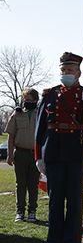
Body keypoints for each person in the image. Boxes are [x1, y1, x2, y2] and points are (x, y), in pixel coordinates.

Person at [35, 52, 83, 243]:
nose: (66, 73)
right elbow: (39, 129)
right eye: (63, 70)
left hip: (76, 151)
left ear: (79, 72)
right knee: (55, 201)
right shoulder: (49, 95)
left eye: (70, 70)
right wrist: (39, 156)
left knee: (75, 201)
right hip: (54, 153)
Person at [5, 88, 40, 222]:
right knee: (20, 184)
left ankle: (32, 211)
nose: (27, 102)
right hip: (20, 154)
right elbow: (11, 136)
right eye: (26, 99)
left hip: (35, 155)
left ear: (36, 100)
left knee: (33, 185)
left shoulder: (40, 114)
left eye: (30, 99)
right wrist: (10, 155)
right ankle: (20, 211)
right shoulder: (17, 114)